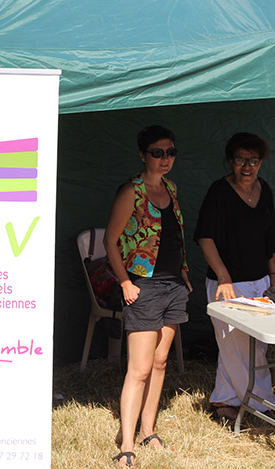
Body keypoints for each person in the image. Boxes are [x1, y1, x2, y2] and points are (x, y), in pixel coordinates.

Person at [104, 125, 192, 468]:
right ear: (143, 155)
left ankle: (147, 431)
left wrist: (184, 273)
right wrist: (125, 282)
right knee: (139, 369)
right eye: (157, 152)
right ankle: (126, 444)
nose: (165, 158)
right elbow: (110, 241)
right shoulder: (132, 191)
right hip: (144, 285)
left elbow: (173, 237)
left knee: (159, 362)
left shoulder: (171, 188)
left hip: (173, 286)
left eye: (170, 152)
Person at [194, 132, 275, 421]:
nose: (247, 167)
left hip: (261, 281)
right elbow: (205, 237)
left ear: (261, 162)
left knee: (256, 345)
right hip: (227, 284)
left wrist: (274, 275)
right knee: (234, 344)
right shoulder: (219, 192)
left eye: (253, 161)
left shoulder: (265, 189)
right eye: (240, 160)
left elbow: (269, 240)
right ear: (230, 162)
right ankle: (262, 404)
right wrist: (224, 277)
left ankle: (224, 400)